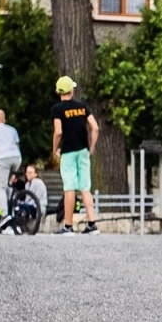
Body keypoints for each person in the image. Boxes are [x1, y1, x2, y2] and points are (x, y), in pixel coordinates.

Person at [50, 76, 99, 234]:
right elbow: (95, 127)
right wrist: (91, 147)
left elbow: (58, 132)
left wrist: (54, 149)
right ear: (71, 90)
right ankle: (92, 223)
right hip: (83, 150)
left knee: (69, 187)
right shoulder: (82, 107)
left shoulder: (57, 109)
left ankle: (68, 225)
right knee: (85, 187)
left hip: (68, 151)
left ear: (58, 91)